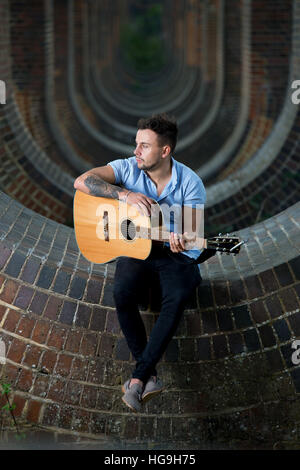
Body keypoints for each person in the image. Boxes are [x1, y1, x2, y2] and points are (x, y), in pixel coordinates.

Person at [74, 113, 206, 412]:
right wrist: (125, 194)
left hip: (174, 252)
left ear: (165, 151)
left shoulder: (190, 183)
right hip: (136, 249)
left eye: (144, 146)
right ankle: (149, 376)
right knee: (122, 292)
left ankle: (139, 378)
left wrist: (179, 241)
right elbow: (82, 182)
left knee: (180, 295)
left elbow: (193, 237)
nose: (136, 151)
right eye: (137, 144)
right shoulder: (126, 169)